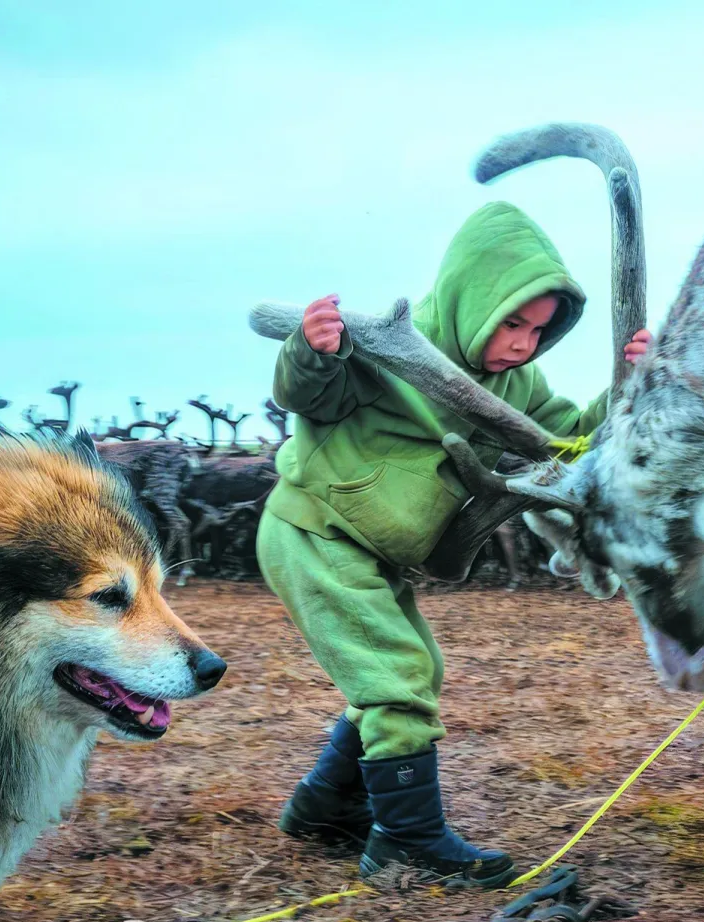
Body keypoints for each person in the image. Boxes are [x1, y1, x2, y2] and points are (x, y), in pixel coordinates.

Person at [257, 201, 648, 887]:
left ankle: (324, 806)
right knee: (396, 676)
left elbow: (568, 445)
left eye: (540, 329)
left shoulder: (518, 385)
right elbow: (309, 397)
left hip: (373, 551)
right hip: (315, 528)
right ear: (474, 297)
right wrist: (312, 351)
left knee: (411, 671)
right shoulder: (387, 348)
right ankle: (406, 843)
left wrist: (630, 389)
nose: (524, 342)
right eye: (513, 321)